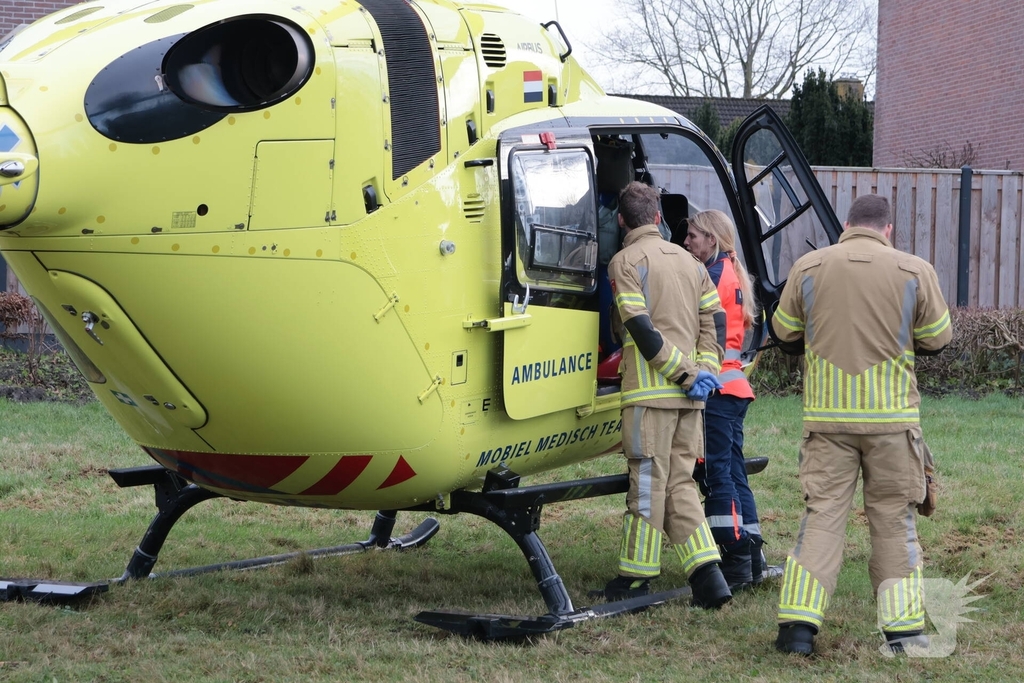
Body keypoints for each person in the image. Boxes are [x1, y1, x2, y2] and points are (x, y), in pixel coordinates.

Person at [769, 194, 952, 655]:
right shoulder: (914, 269)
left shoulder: (809, 267)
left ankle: (797, 630)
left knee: (823, 519)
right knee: (894, 522)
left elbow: (784, 333)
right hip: (892, 422)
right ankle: (904, 632)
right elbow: (937, 338)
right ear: (887, 229)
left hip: (828, 421)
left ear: (847, 224)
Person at [598, 181, 732, 609]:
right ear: (658, 217)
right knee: (679, 484)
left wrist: (684, 372)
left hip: (652, 397)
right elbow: (717, 320)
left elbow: (638, 326)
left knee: (647, 486)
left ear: (622, 220)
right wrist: (706, 371)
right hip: (691, 399)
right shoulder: (692, 262)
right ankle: (709, 575)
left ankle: (635, 579)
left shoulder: (624, 261)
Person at [683, 210, 772, 590]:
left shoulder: (712, 276)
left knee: (718, 477)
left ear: (712, 240)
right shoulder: (731, 273)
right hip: (734, 389)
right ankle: (750, 554)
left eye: (692, 236)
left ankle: (733, 558)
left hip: (717, 391)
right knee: (735, 475)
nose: (686, 242)